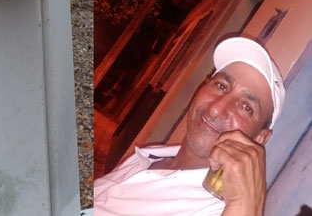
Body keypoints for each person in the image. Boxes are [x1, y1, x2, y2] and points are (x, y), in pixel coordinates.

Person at [94, 36, 285, 216]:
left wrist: (245, 207)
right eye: (221, 86)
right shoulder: (148, 156)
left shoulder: (217, 209)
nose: (216, 109)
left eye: (246, 107)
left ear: (259, 138)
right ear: (204, 84)